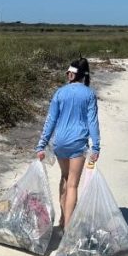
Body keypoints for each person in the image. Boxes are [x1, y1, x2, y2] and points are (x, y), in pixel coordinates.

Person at [35, 58, 101, 231]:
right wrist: (96, 147)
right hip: (77, 143)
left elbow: (50, 120)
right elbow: (92, 122)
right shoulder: (89, 94)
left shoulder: (60, 93)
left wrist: (41, 145)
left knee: (64, 178)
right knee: (72, 184)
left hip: (60, 143)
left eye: (68, 72)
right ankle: (68, 230)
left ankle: (63, 220)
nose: (67, 75)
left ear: (73, 74)